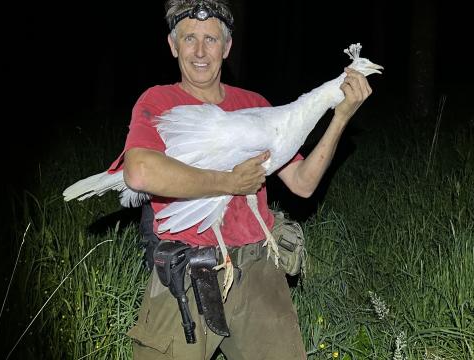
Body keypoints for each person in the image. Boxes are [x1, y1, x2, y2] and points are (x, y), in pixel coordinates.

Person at [108, 0, 373, 359]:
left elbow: (303, 183)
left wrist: (339, 118)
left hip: (257, 267)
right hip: (188, 274)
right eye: (189, 39)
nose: (200, 51)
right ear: (173, 46)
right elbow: (139, 172)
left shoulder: (255, 104)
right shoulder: (159, 100)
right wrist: (228, 183)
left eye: (211, 40)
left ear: (227, 47)